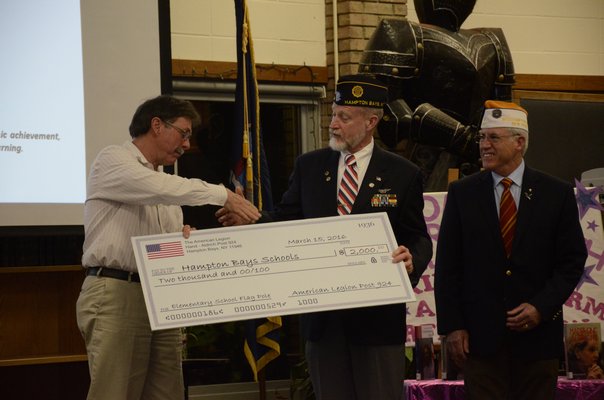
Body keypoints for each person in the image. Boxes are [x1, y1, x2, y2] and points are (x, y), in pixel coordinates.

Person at [219, 74, 432, 400]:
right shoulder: (310, 167)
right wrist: (249, 220)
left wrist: (412, 258)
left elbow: (417, 236)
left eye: (343, 117)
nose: (332, 124)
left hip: (376, 324)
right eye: (333, 113)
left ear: (371, 121)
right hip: (324, 324)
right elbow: (284, 222)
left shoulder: (403, 173)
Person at [76, 95, 260, 400]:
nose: (187, 144)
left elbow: (162, 247)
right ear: (157, 125)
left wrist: (188, 240)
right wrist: (222, 194)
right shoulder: (113, 160)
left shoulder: (164, 182)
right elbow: (158, 189)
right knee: (115, 393)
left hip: (161, 297)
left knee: (167, 393)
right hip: (117, 292)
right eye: (184, 133)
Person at [434, 100, 588, 400]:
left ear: (519, 143)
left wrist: (541, 307)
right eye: (481, 138)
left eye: (493, 138)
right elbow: (448, 267)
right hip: (479, 343)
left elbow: (571, 261)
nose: (484, 145)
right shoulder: (462, 193)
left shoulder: (556, 194)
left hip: (537, 342)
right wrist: (452, 327)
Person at [359, 0, 515, 191]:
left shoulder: (493, 42)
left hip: (480, 159)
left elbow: (504, 115)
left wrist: (483, 143)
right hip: (422, 160)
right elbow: (389, 113)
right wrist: (459, 136)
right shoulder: (399, 33)